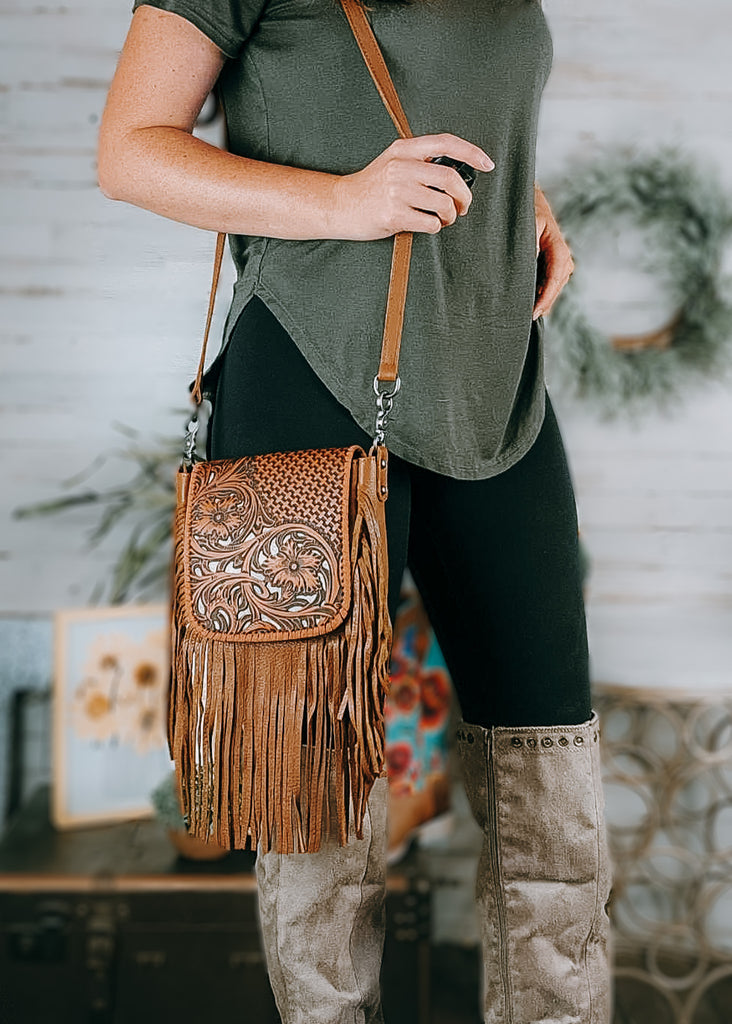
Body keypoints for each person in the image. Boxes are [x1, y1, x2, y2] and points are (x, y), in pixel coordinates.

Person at [97, 1, 612, 1021]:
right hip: (308, 378)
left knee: (552, 768)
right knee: (312, 775)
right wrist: (347, 201)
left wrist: (518, 203)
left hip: (490, 382)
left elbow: (451, 101)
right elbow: (130, 151)